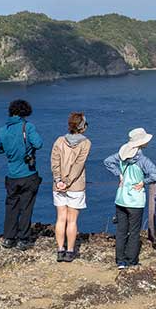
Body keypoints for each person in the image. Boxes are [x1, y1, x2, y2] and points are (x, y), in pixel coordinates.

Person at [103, 128, 156, 269]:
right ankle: (131, 260)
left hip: (121, 198)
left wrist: (119, 174)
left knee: (121, 230)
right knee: (134, 232)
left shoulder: (121, 156)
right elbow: (155, 175)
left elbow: (107, 161)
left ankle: (120, 260)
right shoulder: (143, 160)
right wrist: (143, 182)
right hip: (135, 201)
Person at [0, 99, 43, 250]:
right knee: (26, 207)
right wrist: (28, 150)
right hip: (28, 174)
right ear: (25, 112)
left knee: (11, 206)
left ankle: (9, 238)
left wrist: (10, 153)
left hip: (12, 175)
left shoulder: (3, 130)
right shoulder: (27, 127)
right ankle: (23, 239)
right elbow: (39, 144)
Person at [50, 111, 91, 262]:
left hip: (58, 185)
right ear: (82, 126)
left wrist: (59, 180)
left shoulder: (59, 141)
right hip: (75, 186)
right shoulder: (85, 143)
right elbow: (78, 165)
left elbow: (54, 162)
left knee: (60, 218)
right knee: (72, 220)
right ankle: (70, 251)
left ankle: (60, 250)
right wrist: (67, 182)